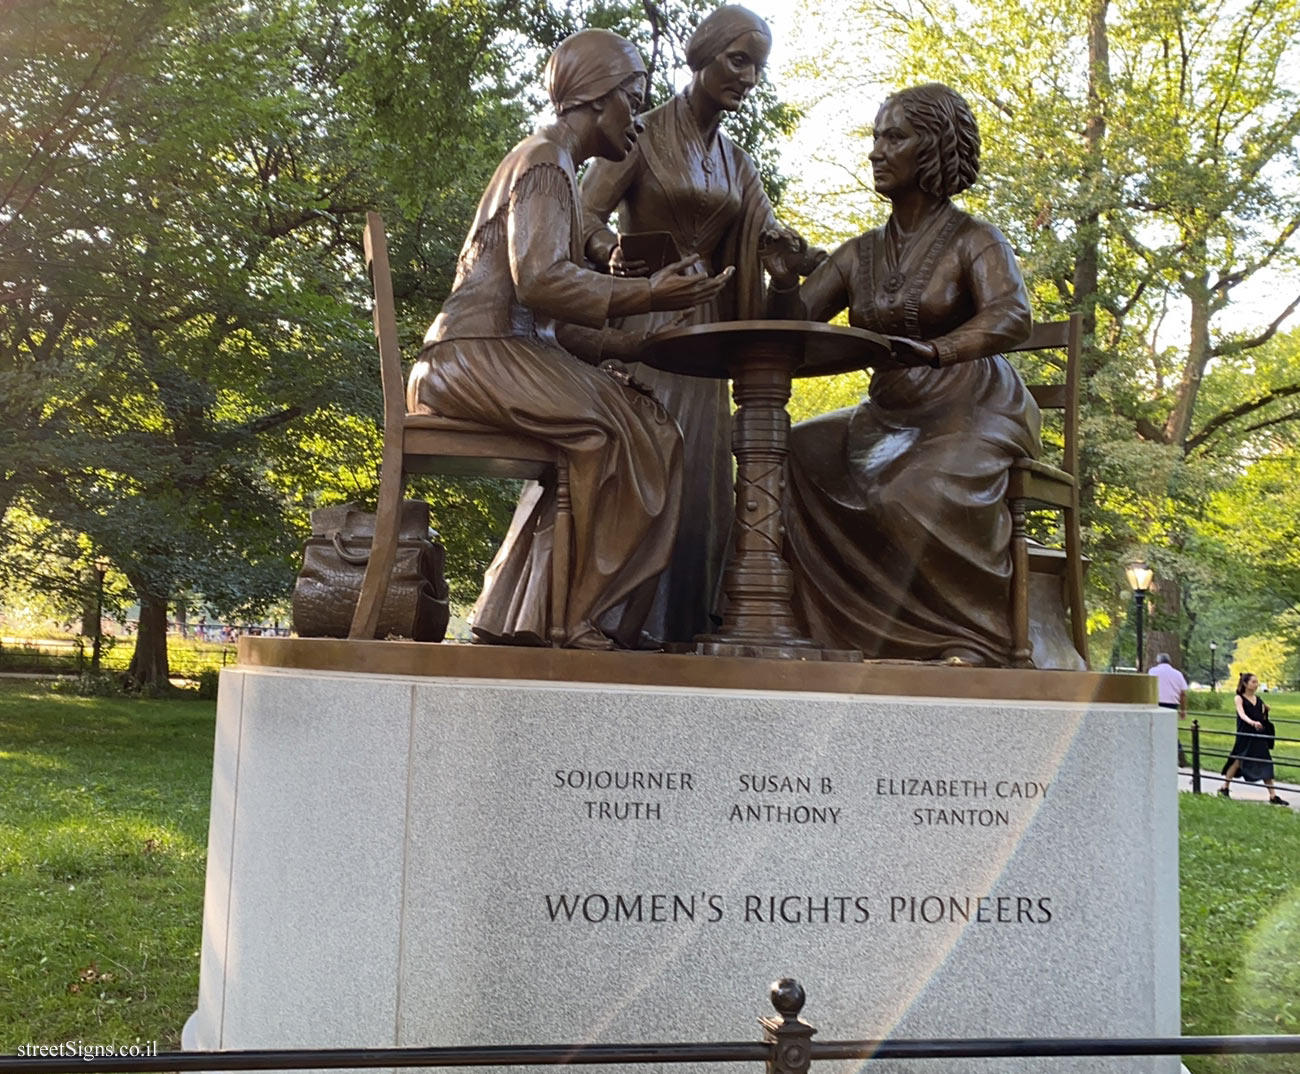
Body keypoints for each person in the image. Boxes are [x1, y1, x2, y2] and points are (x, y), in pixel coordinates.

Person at [406, 29, 732, 650]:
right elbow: (541, 282)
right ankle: (578, 617)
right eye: (631, 101)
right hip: (476, 355)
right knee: (618, 433)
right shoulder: (546, 160)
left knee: (654, 428)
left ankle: (562, 612)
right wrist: (650, 295)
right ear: (595, 98)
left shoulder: (547, 160)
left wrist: (634, 345)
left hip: (496, 352)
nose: (637, 121)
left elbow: (550, 319)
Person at [761, 83, 1039, 665]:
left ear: (933, 148)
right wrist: (784, 281)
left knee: (910, 491)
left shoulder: (975, 239)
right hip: (888, 416)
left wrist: (940, 350)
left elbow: (1012, 315)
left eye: (894, 137)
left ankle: (972, 638)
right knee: (794, 451)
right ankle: (834, 627)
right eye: (874, 138)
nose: (876, 151)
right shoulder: (860, 252)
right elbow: (793, 327)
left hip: (972, 408)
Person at [579, 4, 819, 645]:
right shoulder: (641, 135)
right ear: (702, 56)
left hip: (709, 333)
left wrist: (782, 258)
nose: (747, 77)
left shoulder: (739, 163)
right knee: (646, 465)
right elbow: (580, 216)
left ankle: (682, 625)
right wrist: (613, 254)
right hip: (645, 326)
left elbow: (762, 237)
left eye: (757, 68)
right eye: (737, 60)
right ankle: (610, 620)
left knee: (702, 480)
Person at [1219, 672, 1288, 804]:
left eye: (1257, 682)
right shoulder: (1239, 698)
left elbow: (1262, 717)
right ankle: (1225, 787)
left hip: (1259, 734)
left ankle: (1273, 795)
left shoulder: (1259, 700)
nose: (1256, 685)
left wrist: (1266, 711)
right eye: (1253, 682)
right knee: (1239, 760)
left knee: (1265, 761)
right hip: (1245, 734)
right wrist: (1251, 722)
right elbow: (1242, 714)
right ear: (1245, 684)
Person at [1149, 652, 1189, 767]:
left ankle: (1159, 756)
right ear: (1169, 661)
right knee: (1171, 731)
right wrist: (1183, 710)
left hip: (1156, 703)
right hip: (1172, 704)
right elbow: (1183, 693)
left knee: (1156, 730)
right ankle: (1180, 757)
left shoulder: (1153, 671)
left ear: (1158, 661)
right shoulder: (1177, 674)